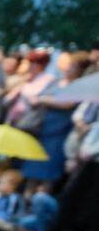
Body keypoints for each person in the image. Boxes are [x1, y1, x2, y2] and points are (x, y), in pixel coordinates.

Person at [21, 52, 83, 192]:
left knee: (49, 173)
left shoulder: (78, 86)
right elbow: (40, 96)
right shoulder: (56, 82)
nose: (68, 69)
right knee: (32, 170)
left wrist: (44, 100)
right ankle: (28, 198)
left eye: (73, 66)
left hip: (59, 133)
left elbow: (67, 103)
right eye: (69, 65)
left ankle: (41, 198)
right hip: (43, 130)